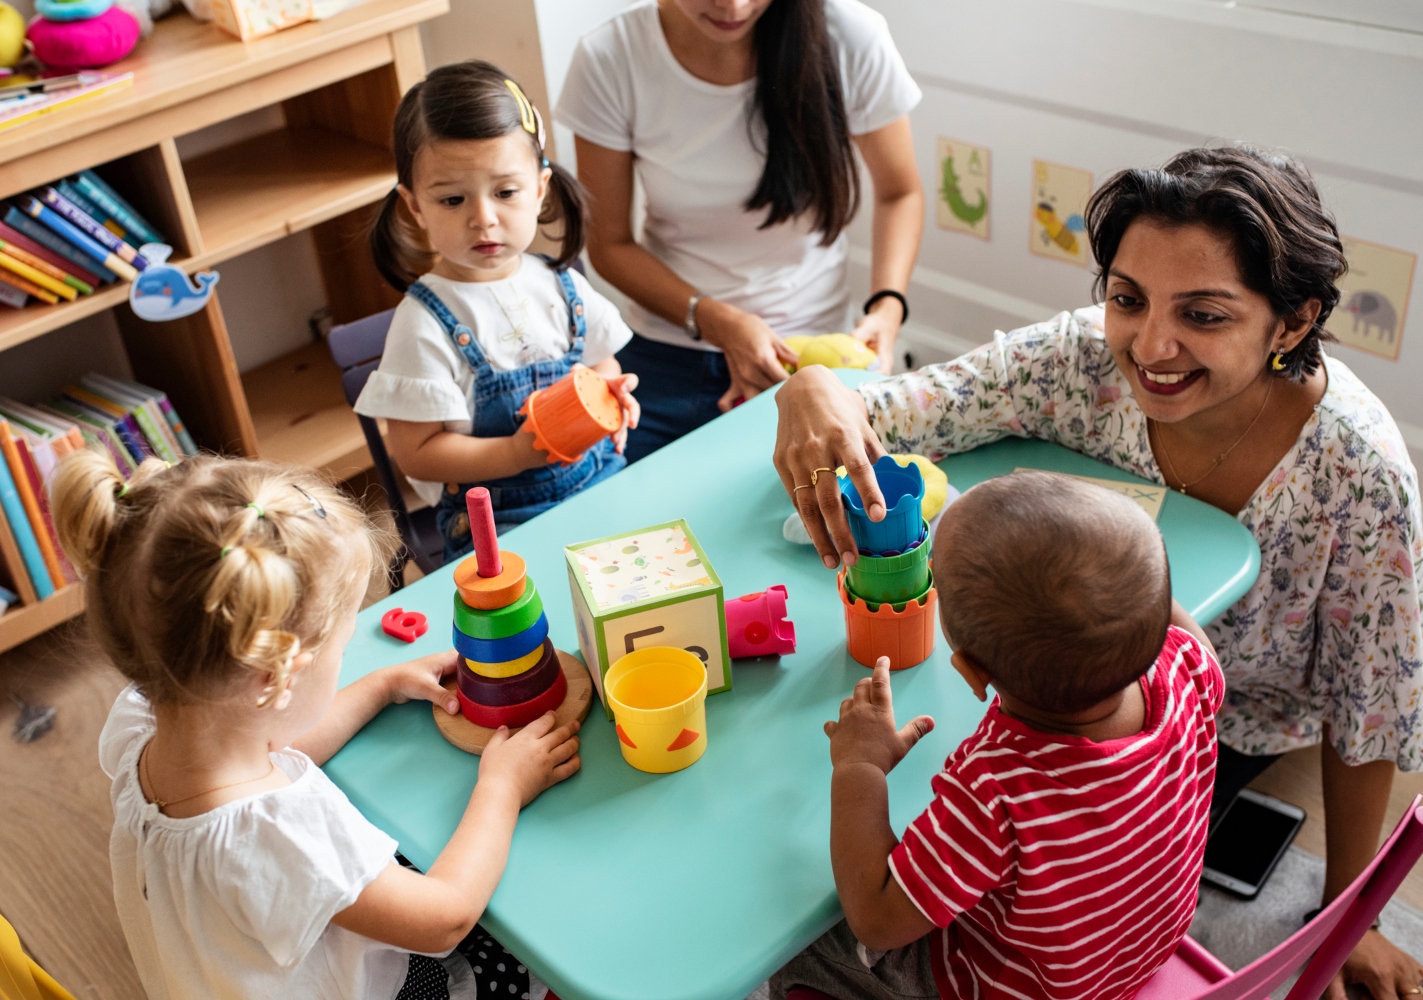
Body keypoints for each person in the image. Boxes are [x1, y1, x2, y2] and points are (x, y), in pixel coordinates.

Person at [773, 145, 1423, 1000]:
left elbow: (1370, 710)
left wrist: (1356, 914)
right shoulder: (1077, 363)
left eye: (1203, 315)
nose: (1149, 345)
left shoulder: (1359, 472)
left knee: (846, 871)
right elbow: (898, 409)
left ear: (1292, 322)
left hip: (1228, 722)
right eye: (1126, 300)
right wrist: (815, 388)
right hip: (1135, 700)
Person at [52, 450, 581, 1000]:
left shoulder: (144, 722)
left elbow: (271, 742)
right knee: (523, 960)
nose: (347, 657)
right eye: (343, 647)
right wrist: (502, 787)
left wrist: (379, 686)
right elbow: (444, 917)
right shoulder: (279, 834)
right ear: (276, 679)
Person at [771, 472, 1224, 1000]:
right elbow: (1177, 628)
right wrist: (1126, 581)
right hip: (1127, 958)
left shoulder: (996, 790)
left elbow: (876, 916)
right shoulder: (1186, 667)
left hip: (1018, 988)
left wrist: (860, 767)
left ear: (970, 672)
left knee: (805, 939)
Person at [557, 0, 925, 460]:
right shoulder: (611, 57)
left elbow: (900, 193)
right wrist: (721, 323)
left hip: (811, 354)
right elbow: (609, 244)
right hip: (669, 350)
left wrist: (888, 307)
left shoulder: (852, 36)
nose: (733, 6)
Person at [357, 61, 640, 560]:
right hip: (501, 523)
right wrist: (514, 454)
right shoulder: (424, 323)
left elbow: (601, 362)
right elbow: (416, 453)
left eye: (505, 192)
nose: (483, 218)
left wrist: (609, 396)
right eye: (451, 199)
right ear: (414, 207)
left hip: (600, 480)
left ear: (539, 188)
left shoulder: (561, 284)